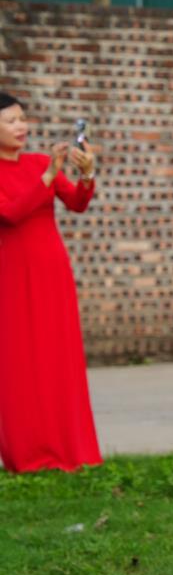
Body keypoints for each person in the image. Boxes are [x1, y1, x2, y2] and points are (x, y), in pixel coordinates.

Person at [0, 93, 102, 473]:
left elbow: (76, 202)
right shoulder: (41, 168)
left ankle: (68, 450)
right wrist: (47, 176)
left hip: (52, 271)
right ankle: (27, 454)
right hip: (11, 274)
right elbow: (10, 214)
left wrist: (86, 174)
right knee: (18, 362)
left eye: (22, 118)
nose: (21, 127)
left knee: (58, 358)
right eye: (11, 121)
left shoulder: (40, 162)